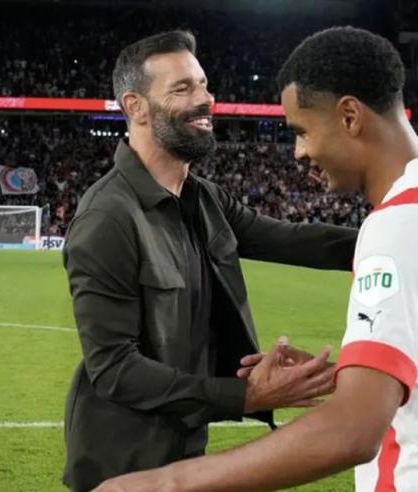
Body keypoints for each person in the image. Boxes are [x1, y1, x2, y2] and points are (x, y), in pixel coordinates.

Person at [94, 26, 418, 492]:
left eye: (301, 131)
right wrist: (353, 378)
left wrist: (163, 485)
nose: (299, 151)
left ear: (350, 116)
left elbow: (351, 431)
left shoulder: (403, 226)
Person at [62, 30, 357, 491]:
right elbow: (114, 369)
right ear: (136, 107)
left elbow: (294, 240)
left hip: (185, 446)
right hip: (121, 465)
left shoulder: (203, 198)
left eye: (203, 85)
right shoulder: (108, 218)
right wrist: (246, 395)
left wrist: (398, 234)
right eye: (182, 89)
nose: (205, 99)